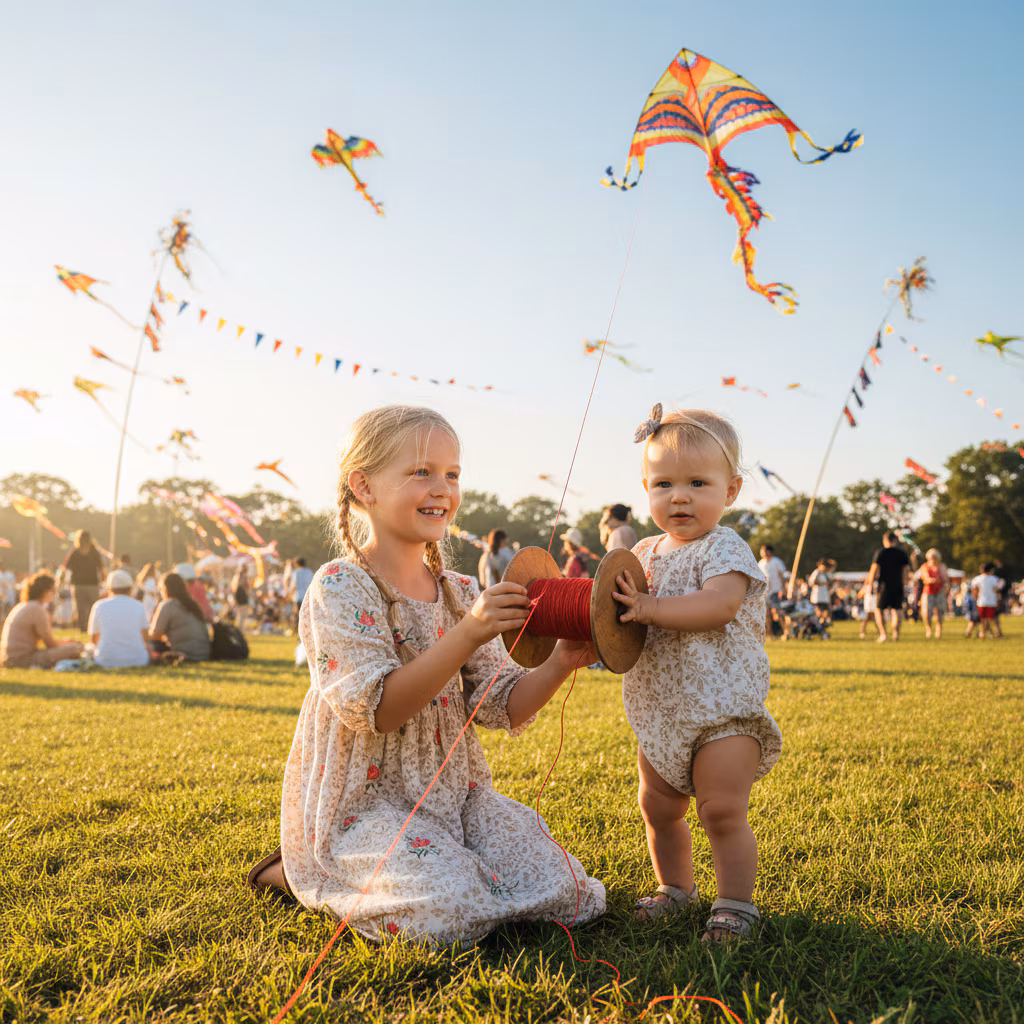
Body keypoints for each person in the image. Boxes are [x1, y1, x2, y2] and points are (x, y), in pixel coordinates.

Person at [246, 404, 604, 944]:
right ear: (363, 486)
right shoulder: (340, 586)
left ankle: (440, 863)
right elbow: (380, 711)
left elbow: (501, 705)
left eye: (452, 474)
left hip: (455, 799)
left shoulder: (460, 591)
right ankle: (299, 868)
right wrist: (468, 633)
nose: (442, 488)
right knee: (450, 909)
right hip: (367, 805)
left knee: (572, 892)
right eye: (421, 472)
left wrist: (560, 662)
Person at [612, 406, 781, 942]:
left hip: (723, 709)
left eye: (697, 483)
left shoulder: (724, 546)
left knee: (721, 809)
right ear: (645, 487)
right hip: (661, 709)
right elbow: (617, 618)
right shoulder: (642, 553)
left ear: (730, 491)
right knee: (658, 806)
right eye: (663, 483)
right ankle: (674, 889)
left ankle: (735, 905)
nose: (679, 496)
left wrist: (650, 609)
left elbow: (718, 605)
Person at [0, 572, 84, 668]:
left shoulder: (23, 606)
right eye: (53, 590)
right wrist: (70, 644)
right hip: (22, 660)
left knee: (72, 647)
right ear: (46, 591)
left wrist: (65, 642)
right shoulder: (37, 609)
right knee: (74, 649)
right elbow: (50, 644)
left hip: (9, 658)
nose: (54, 594)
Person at [88, 569, 151, 668]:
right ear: (130, 588)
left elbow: (95, 639)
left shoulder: (99, 606)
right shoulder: (138, 605)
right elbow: (146, 638)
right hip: (138, 660)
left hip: (105, 660)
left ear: (109, 588)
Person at [150, 572, 212, 662]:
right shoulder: (193, 605)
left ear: (165, 589)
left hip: (185, 653)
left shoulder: (168, 605)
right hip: (204, 653)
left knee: (151, 645)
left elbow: (155, 635)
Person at [865, 532, 910, 642]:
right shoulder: (902, 553)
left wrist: (870, 584)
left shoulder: (881, 552)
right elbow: (906, 570)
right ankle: (896, 634)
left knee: (879, 609)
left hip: (884, 585)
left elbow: (874, 568)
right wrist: (904, 582)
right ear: (895, 540)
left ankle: (883, 634)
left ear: (885, 540)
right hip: (898, 584)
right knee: (897, 609)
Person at [61, 530, 106, 632]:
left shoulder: (75, 552)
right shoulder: (94, 551)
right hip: (92, 584)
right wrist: (103, 580)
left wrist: (61, 580)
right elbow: (101, 567)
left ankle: (82, 627)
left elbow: (66, 567)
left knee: (80, 608)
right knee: (93, 607)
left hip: (78, 584)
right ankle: (93, 627)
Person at [917, 548, 948, 639]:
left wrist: (946, 586)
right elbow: (925, 578)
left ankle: (939, 630)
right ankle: (929, 629)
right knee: (926, 612)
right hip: (928, 592)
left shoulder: (942, 566)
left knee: (939, 612)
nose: (933, 559)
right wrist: (931, 580)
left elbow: (945, 579)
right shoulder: (925, 567)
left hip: (939, 591)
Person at [757, 544, 788, 638]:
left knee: (778, 612)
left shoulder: (777, 562)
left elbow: (782, 576)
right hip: (765, 592)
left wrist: (784, 589)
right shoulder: (761, 563)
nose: (762, 553)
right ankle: (769, 634)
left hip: (776, 590)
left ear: (769, 551)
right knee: (766, 614)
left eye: (764, 551)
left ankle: (786, 632)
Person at [971, 562, 1004, 639]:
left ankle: (983, 633)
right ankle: (997, 632)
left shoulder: (977, 579)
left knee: (983, 618)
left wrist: (975, 598)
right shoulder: (994, 579)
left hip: (981, 602)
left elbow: (974, 591)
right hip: (992, 602)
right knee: (993, 618)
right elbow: (997, 589)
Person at [807, 558, 836, 637]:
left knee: (825, 614)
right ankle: (820, 629)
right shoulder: (816, 572)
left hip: (825, 597)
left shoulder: (827, 574)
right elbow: (811, 582)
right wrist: (820, 583)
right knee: (819, 614)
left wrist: (828, 583)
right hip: (817, 597)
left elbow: (831, 583)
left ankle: (822, 627)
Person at [288, 557, 315, 632]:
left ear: (296, 564)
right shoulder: (309, 572)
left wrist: (289, 593)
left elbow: (294, 585)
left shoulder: (296, 572)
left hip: (298, 596)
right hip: (307, 596)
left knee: (297, 614)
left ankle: (297, 630)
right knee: (307, 614)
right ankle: (307, 630)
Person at [231, 564, 251, 633]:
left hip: (237, 595)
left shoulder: (236, 577)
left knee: (240, 613)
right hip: (242, 596)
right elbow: (247, 586)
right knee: (243, 614)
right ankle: (240, 628)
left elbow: (233, 588)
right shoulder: (244, 577)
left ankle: (239, 628)